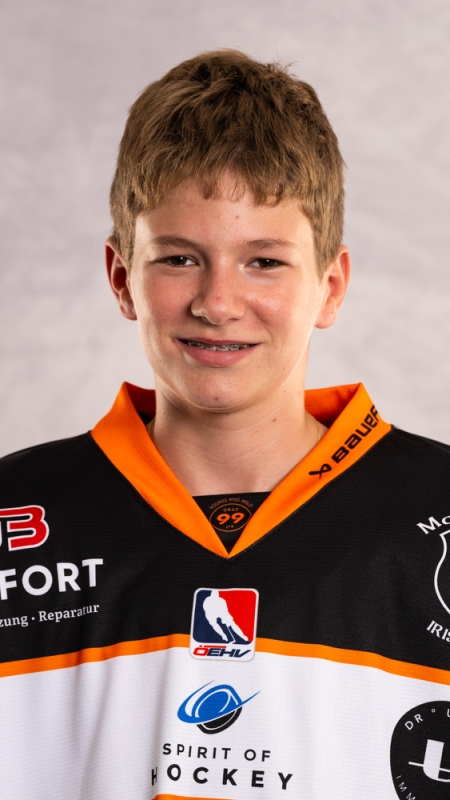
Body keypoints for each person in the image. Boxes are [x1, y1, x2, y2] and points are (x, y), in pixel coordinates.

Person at [0, 49, 449, 800]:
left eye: (263, 262)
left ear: (330, 286)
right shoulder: (16, 516)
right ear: (121, 277)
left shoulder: (435, 508)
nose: (217, 303)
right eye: (179, 258)